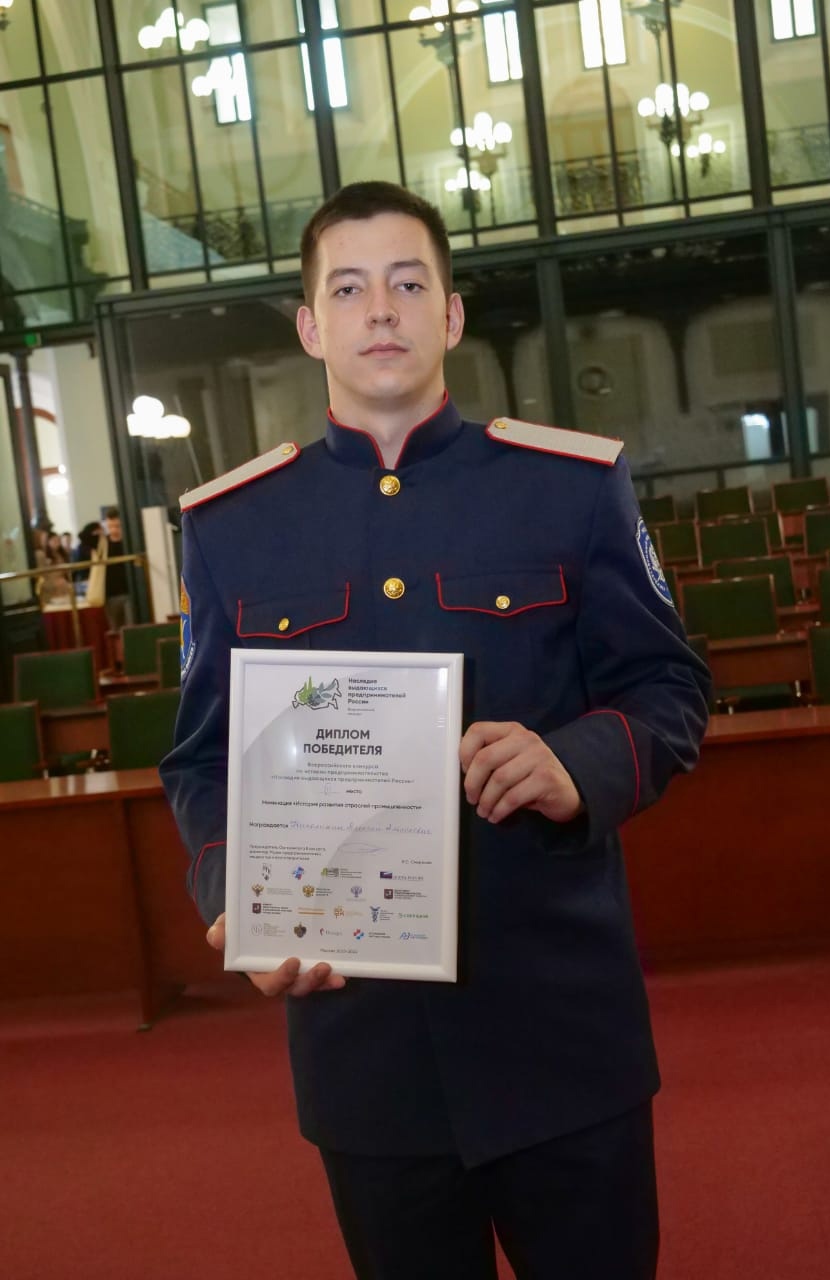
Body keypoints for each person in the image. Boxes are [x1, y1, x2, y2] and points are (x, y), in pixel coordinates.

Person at [160, 181, 710, 1280]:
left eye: (409, 284)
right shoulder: (233, 528)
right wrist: (237, 896)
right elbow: (204, 757)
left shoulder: (569, 487)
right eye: (349, 289)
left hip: (559, 1026)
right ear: (310, 326)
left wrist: (573, 761)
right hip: (367, 1050)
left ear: (451, 315)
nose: (381, 310)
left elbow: (668, 687)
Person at [101, 506, 133, 633]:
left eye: (117, 526)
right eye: (110, 526)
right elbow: (84, 536)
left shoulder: (129, 541)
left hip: (128, 591)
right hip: (111, 594)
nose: (114, 530)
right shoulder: (103, 543)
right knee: (115, 629)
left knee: (130, 628)